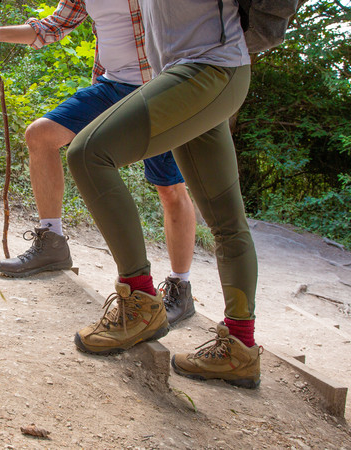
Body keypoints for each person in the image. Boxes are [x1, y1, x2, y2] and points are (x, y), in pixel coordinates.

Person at [66, 0, 261, 389]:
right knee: (226, 221)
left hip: (211, 69)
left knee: (88, 154)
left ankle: (139, 303)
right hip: (192, 74)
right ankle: (240, 349)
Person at [0, 0, 196, 325]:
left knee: (171, 189)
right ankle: (52, 244)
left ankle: (180, 287)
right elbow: (53, 26)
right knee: (40, 135)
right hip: (110, 86)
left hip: (160, 89)